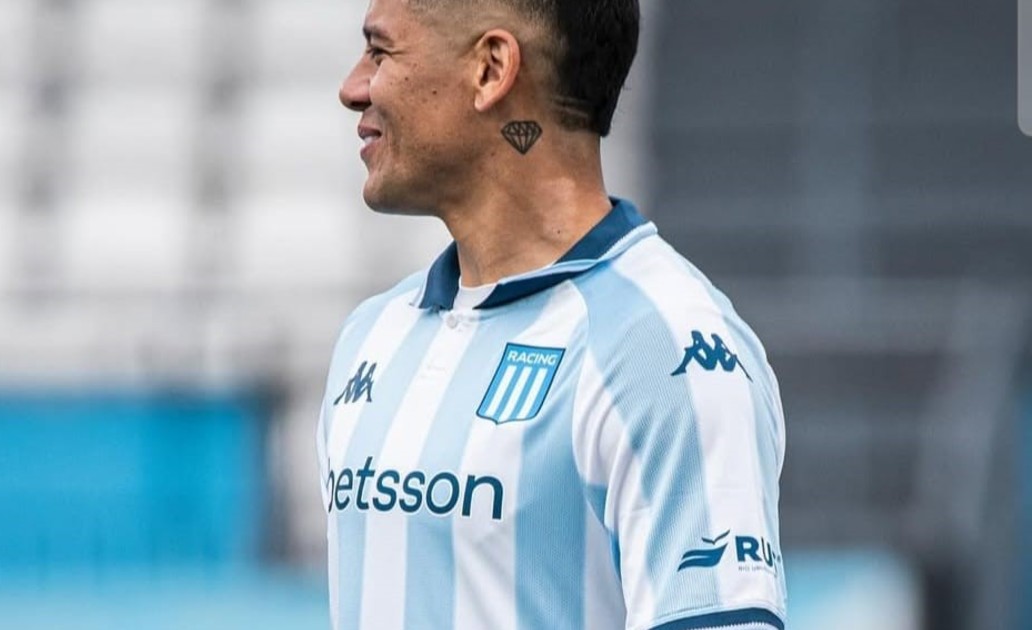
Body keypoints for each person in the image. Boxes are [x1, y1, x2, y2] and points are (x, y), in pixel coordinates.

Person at [315, 0, 788, 628]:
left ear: (491, 69)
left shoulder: (670, 351)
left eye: (380, 51)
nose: (354, 88)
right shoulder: (372, 336)